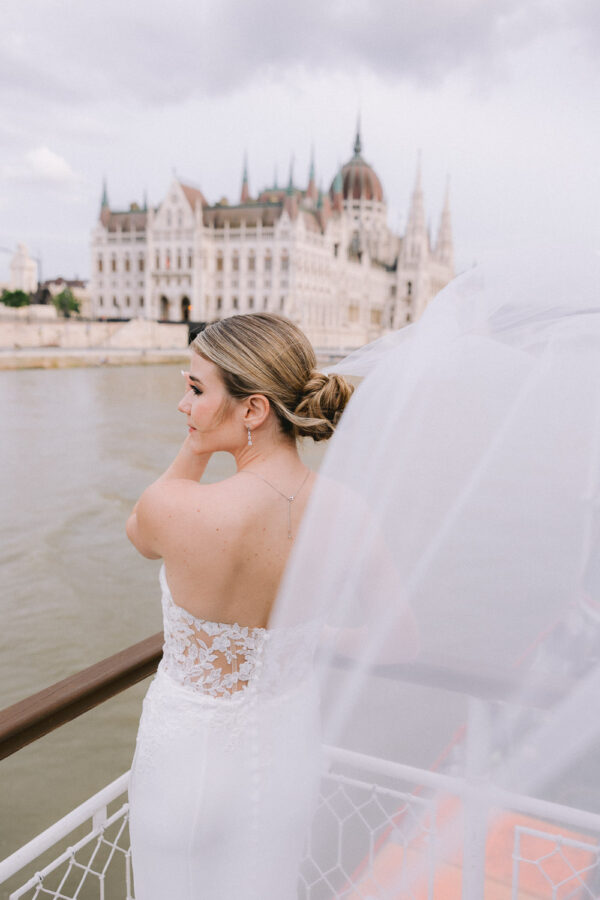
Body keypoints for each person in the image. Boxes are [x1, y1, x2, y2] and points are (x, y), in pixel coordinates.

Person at [125, 312, 353, 900]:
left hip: (185, 763)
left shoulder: (177, 509)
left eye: (195, 390)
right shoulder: (347, 509)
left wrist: (198, 441)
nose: (182, 405)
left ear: (253, 410)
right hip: (287, 753)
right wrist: (304, 638)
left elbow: (136, 532)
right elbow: (399, 638)